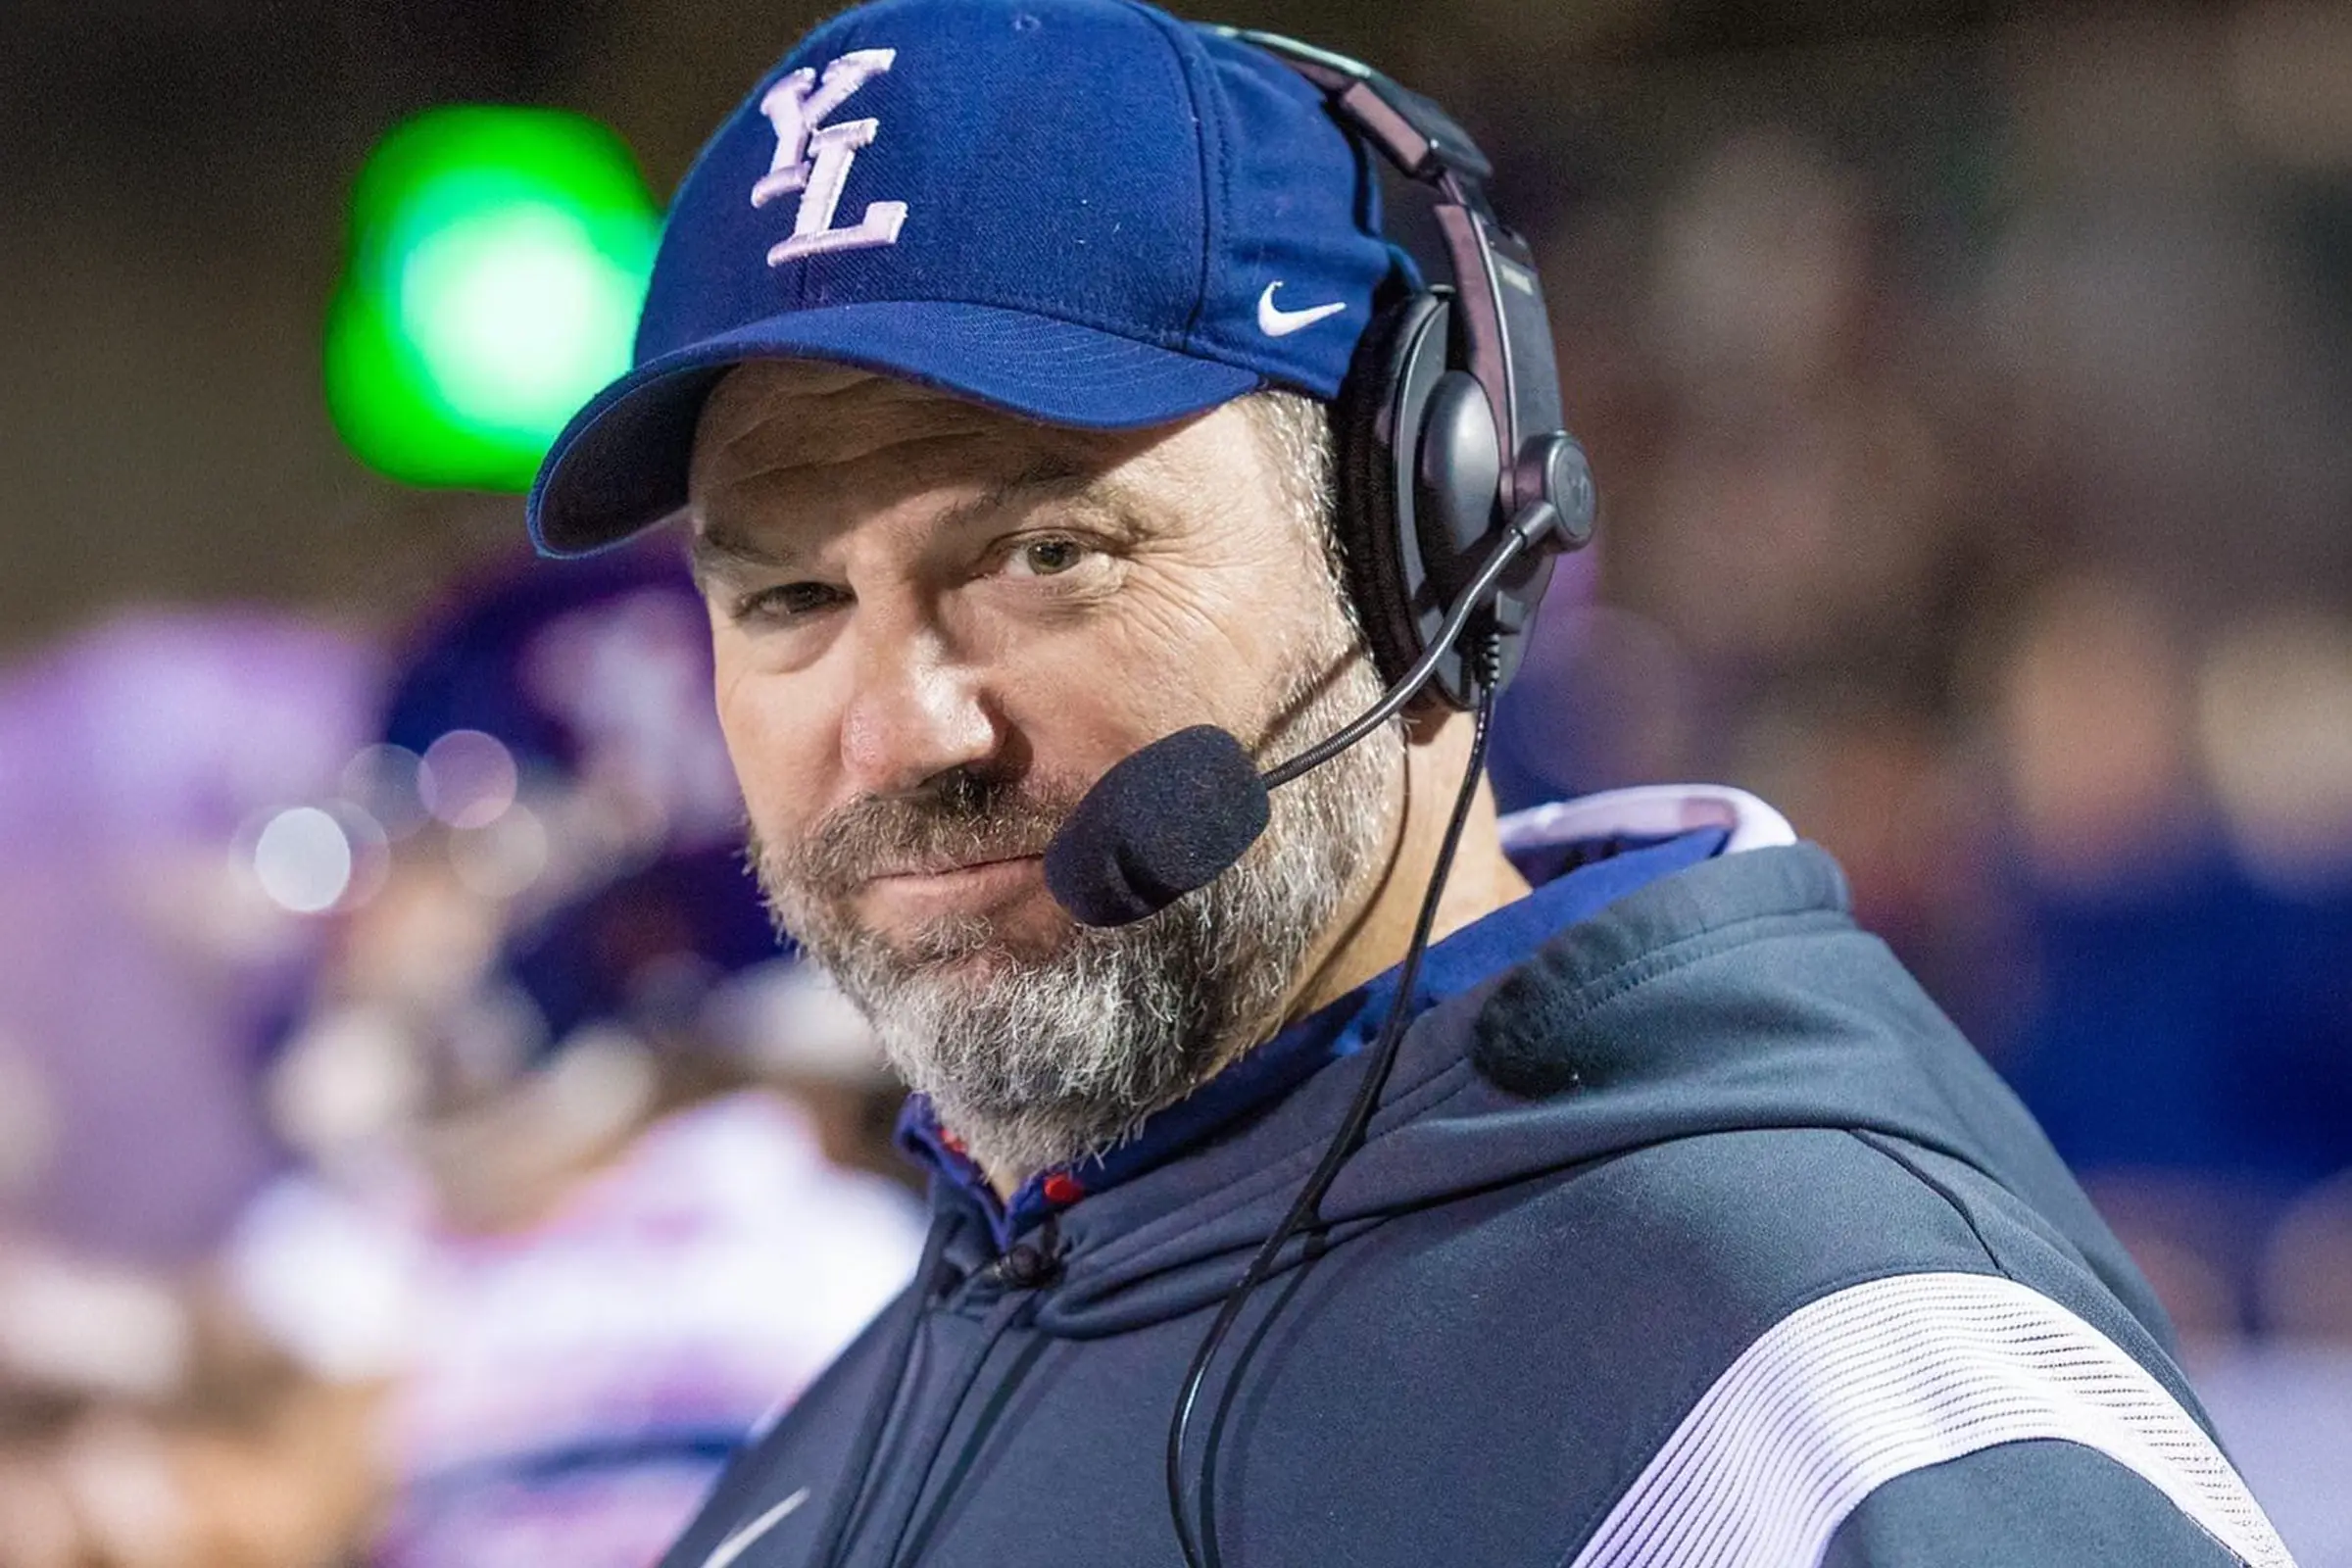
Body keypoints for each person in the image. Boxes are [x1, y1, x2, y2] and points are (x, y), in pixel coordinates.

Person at [524, 2, 2298, 1563]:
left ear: (1430, 545)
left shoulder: (1823, 1401)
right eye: (788, 599)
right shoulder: (824, 1466)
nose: (904, 726)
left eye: (1048, 552)